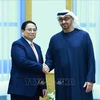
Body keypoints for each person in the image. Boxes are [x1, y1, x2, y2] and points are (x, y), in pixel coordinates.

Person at [45, 10, 95, 100]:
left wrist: (90, 79)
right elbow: (50, 58)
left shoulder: (83, 36)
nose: (63, 22)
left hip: (80, 79)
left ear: (72, 19)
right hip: (62, 80)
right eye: (60, 20)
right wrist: (47, 66)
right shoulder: (54, 39)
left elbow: (90, 59)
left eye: (66, 19)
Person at [7, 20, 48, 100]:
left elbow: (41, 70)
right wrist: (41, 67)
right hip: (20, 90)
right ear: (22, 31)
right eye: (29, 29)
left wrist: (43, 86)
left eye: (34, 30)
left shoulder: (37, 47)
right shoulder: (17, 44)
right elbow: (22, 61)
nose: (32, 32)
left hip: (35, 90)